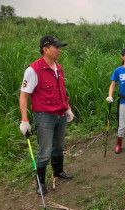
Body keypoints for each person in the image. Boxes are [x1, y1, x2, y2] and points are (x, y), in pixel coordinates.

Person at [19, 35, 74, 195]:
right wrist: (24, 120)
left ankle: (58, 172)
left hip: (61, 113)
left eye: (59, 47)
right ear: (45, 49)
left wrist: (67, 108)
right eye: (56, 47)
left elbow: (61, 90)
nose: (59, 50)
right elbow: (24, 95)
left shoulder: (59, 68)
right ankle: (40, 184)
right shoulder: (33, 70)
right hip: (44, 117)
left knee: (59, 146)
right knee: (44, 150)